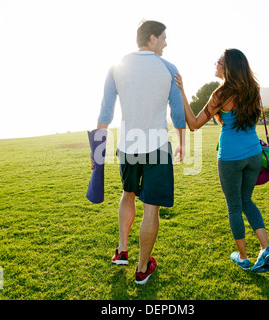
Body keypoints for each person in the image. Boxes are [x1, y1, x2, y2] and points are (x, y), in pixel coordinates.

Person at [92, 20, 186, 284]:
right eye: (164, 38)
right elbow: (177, 113)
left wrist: (97, 149)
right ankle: (143, 267)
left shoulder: (117, 66)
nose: (166, 43)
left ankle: (122, 250)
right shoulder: (169, 69)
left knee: (127, 194)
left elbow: (105, 111)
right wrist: (182, 141)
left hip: (127, 146)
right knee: (151, 208)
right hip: (157, 147)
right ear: (153, 38)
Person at [175, 49, 269, 273]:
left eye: (219, 62)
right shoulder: (253, 89)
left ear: (228, 67)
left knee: (234, 207)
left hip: (231, 157)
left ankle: (243, 257)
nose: (216, 64)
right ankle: (265, 248)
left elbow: (194, 124)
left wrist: (182, 92)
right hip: (253, 155)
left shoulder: (220, 95)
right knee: (247, 201)